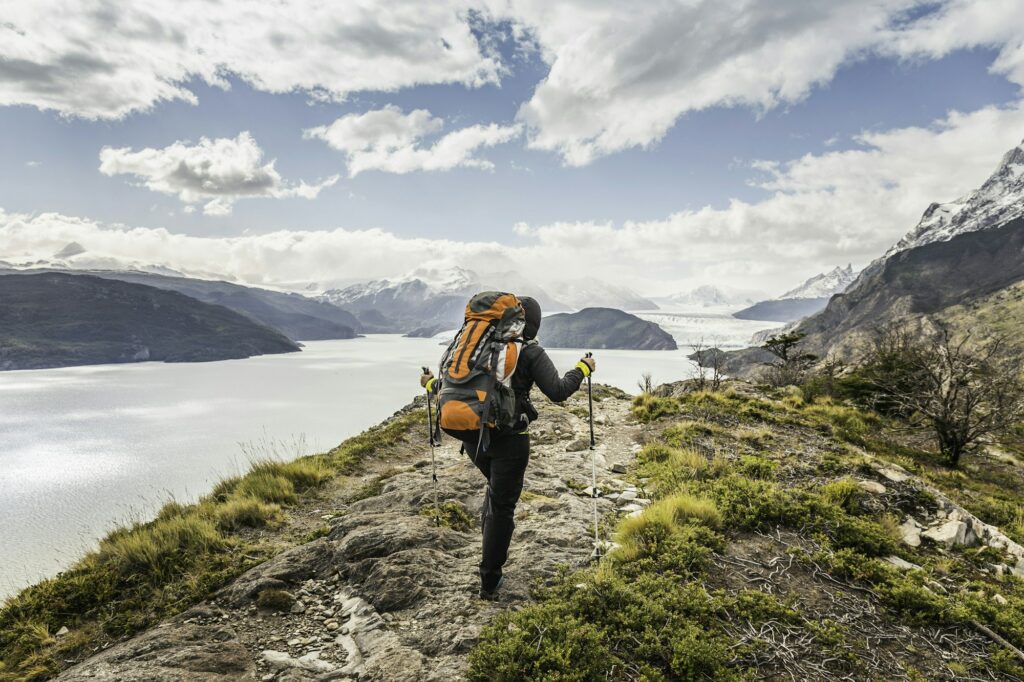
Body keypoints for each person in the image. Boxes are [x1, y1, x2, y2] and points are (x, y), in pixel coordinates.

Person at [420, 296, 596, 600]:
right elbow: (558, 391)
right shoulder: (528, 351)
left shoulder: (476, 347)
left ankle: (490, 549)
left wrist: (429, 384)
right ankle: (489, 582)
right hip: (510, 439)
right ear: (533, 325)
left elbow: (457, 386)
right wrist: (583, 367)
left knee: (495, 493)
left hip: (471, 435)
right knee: (502, 505)